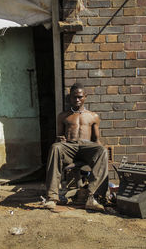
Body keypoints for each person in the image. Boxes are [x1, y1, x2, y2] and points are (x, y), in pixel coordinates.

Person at [44, 83, 108, 211]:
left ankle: (92, 197)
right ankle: (52, 198)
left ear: (85, 97)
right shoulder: (63, 116)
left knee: (102, 150)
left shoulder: (93, 116)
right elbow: (59, 136)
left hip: (86, 147)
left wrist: (102, 153)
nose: (77, 100)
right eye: (74, 97)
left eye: (80, 97)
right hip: (69, 147)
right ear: (70, 98)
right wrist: (59, 139)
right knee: (55, 147)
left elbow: (96, 140)